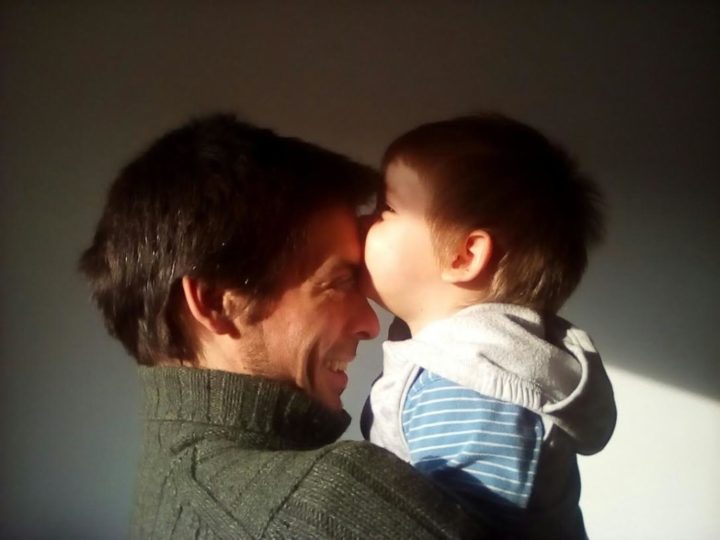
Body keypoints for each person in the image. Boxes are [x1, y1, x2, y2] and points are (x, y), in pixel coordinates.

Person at [79, 114, 490, 539]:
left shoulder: (171, 485)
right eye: (338, 283)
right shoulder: (318, 508)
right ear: (217, 302)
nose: (370, 324)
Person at [361, 114, 617, 539]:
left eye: (386, 209)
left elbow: (452, 531)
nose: (363, 222)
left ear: (464, 256)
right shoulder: (469, 361)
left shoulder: (467, 386)